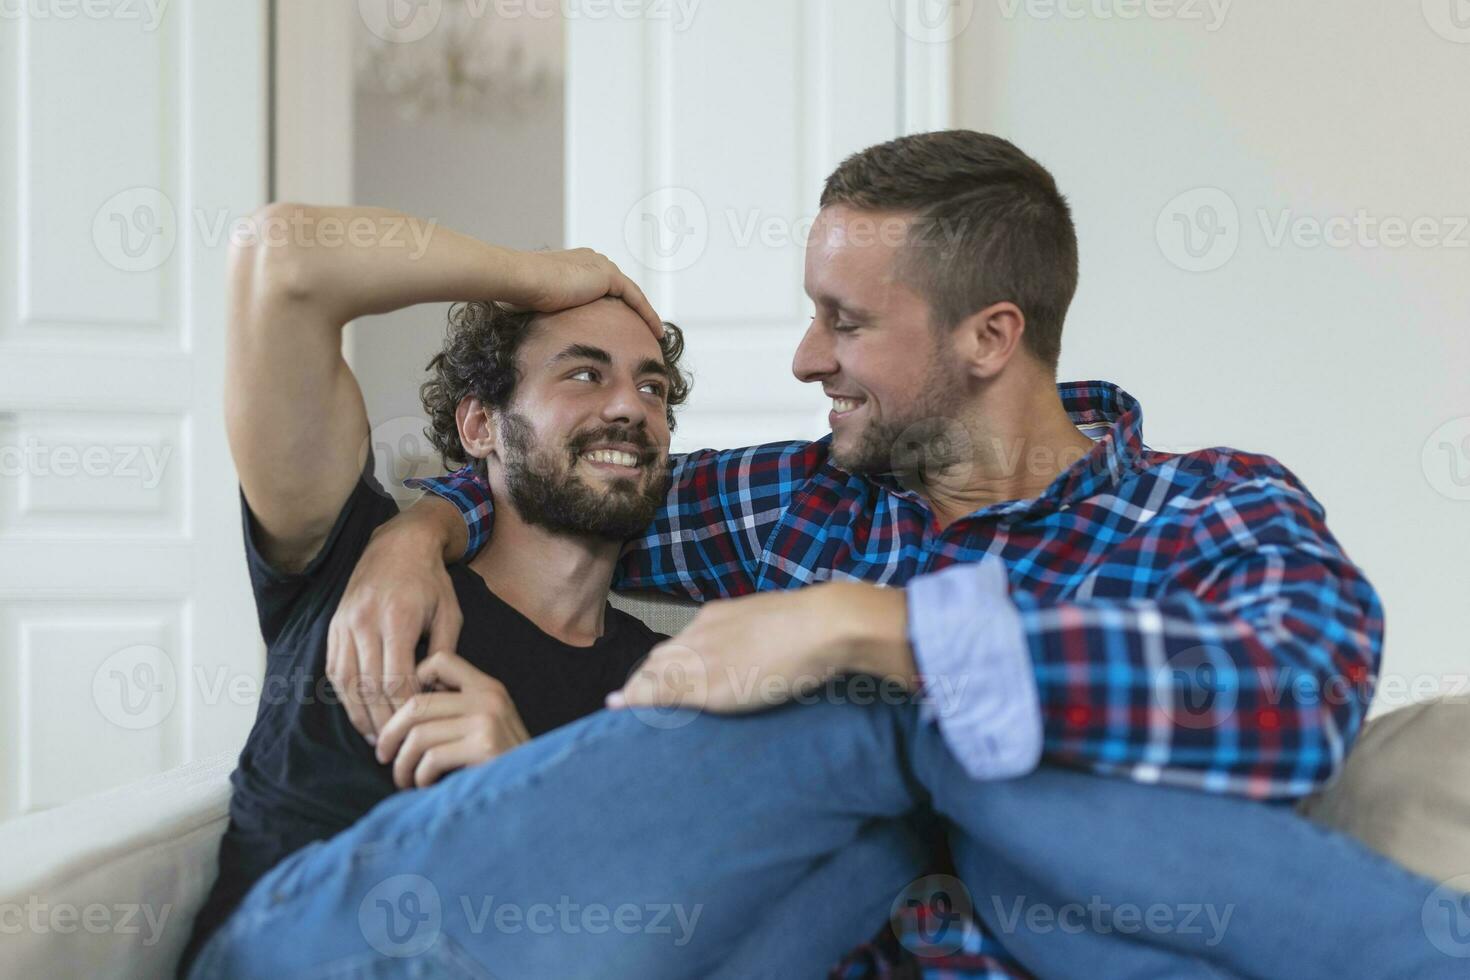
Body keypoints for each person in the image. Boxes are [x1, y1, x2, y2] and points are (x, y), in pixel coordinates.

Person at [191, 133, 1463, 978]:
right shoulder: (807, 499)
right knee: (900, 745)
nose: (803, 359)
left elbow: (1294, 699)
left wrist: (885, 628)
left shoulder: (1204, 507)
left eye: (843, 320)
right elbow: (563, 475)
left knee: (923, 772)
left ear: (988, 337)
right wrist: (426, 518)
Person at [177, 208, 705, 974]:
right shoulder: (352, 555)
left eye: (652, 387)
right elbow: (281, 260)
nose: (630, 406)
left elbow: (664, 929)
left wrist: (518, 789)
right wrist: (542, 276)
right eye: (585, 373)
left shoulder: (667, 690)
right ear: (482, 425)